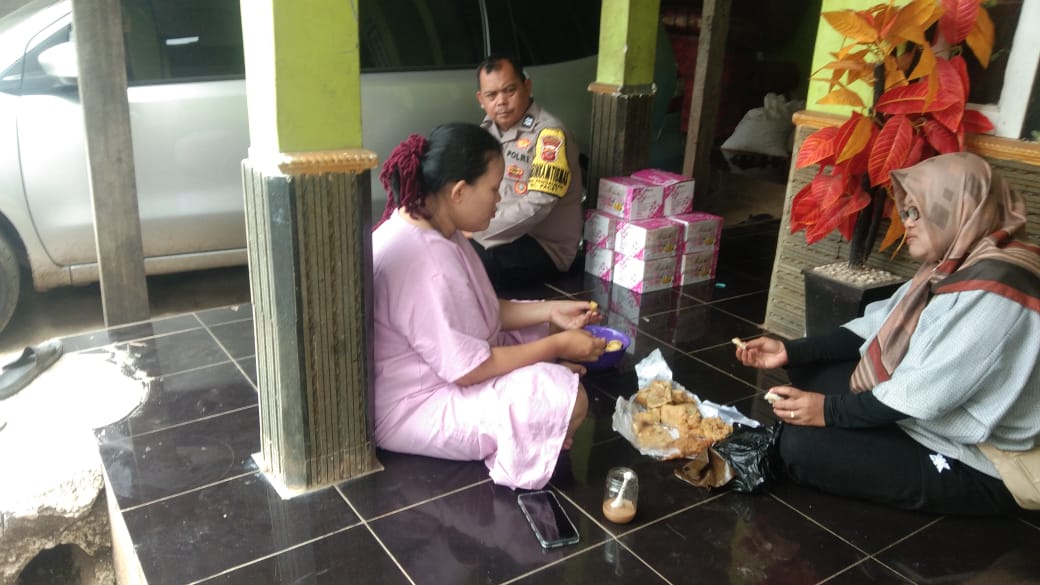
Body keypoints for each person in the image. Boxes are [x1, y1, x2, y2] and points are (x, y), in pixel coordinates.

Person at [735, 152, 1040, 515]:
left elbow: (926, 392)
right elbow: (878, 325)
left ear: (960, 208)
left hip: (987, 458)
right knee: (811, 372)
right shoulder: (955, 264)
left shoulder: (998, 289)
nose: (906, 222)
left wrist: (828, 410)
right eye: (904, 212)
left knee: (801, 447)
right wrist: (792, 351)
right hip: (932, 413)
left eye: (916, 212)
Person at [371, 123, 606, 490]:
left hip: (444, 367)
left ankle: (541, 400)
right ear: (459, 192)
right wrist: (556, 347)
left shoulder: (434, 225)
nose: (500, 199)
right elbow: (470, 370)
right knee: (568, 399)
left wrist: (551, 312)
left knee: (552, 328)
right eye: (495, 189)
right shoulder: (428, 262)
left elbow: (481, 309)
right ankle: (540, 426)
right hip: (416, 404)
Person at [470, 55, 584, 290]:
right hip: (497, 233)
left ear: (527, 86)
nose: (501, 101)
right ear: (481, 99)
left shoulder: (550, 135)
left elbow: (539, 204)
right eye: (491, 95)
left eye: (509, 90)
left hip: (543, 245)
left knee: (468, 261)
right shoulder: (487, 131)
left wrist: (477, 231)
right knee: (446, 248)